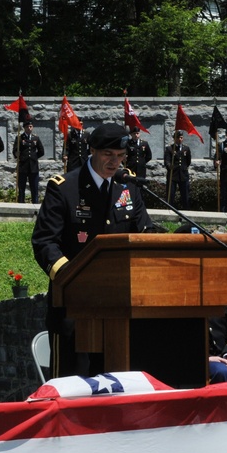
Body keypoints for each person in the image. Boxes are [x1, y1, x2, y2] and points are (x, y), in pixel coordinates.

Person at [31, 123, 155, 377]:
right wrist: (71, 278)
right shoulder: (65, 187)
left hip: (118, 310)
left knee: (115, 390)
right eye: (109, 155)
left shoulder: (127, 186)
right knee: (69, 391)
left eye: (120, 157)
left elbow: (145, 233)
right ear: (93, 151)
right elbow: (44, 242)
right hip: (73, 309)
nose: (115, 162)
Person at [14, 120, 45, 204]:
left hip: (33, 167)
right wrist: (17, 154)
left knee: (34, 187)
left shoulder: (36, 138)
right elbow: (15, 151)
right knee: (21, 188)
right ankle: (21, 204)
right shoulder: (19, 138)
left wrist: (34, 157)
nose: (29, 128)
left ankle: (35, 204)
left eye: (30, 126)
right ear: (24, 128)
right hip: (23, 166)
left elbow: (41, 151)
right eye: (27, 127)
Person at [164, 130, 192, 209]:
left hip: (183, 175)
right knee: (171, 195)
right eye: (178, 137)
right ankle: (169, 212)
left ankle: (186, 212)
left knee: (185, 196)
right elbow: (167, 161)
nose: (180, 139)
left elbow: (188, 161)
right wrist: (170, 166)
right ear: (174, 138)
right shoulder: (170, 149)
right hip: (173, 175)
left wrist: (183, 168)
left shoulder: (186, 148)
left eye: (181, 137)